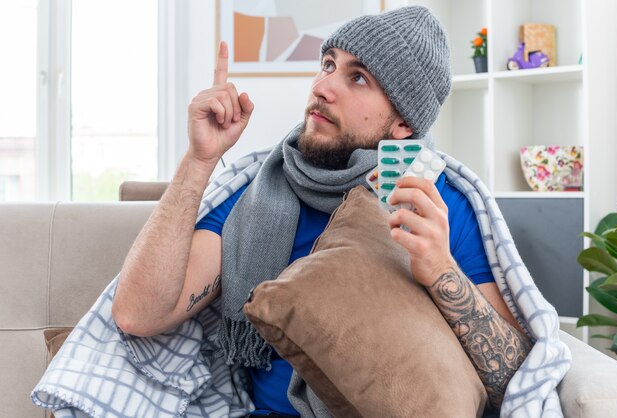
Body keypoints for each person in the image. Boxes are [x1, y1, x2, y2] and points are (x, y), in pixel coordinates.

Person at [112, 6, 532, 416]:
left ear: (403, 123)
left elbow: (516, 379)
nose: (323, 86)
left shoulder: (437, 205)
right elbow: (138, 314)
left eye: (358, 78)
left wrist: (442, 271)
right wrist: (199, 160)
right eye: (328, 64)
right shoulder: (260, 191)